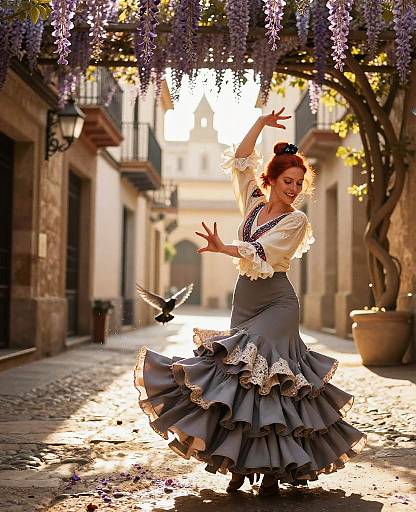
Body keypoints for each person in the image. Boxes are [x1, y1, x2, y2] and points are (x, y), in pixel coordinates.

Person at [134, 108, 366, 496]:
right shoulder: (254, 204)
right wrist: (259, 125)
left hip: (278, 304)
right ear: (271, 180)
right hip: (245, 301)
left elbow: (265, 252)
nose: (293, 189)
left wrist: (225, 247)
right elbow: (242, 161)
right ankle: (242, 464)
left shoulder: (296, 222)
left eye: (298, 183)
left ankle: (274, 471)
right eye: (287, 181)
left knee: (271, 378)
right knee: (243, 384)